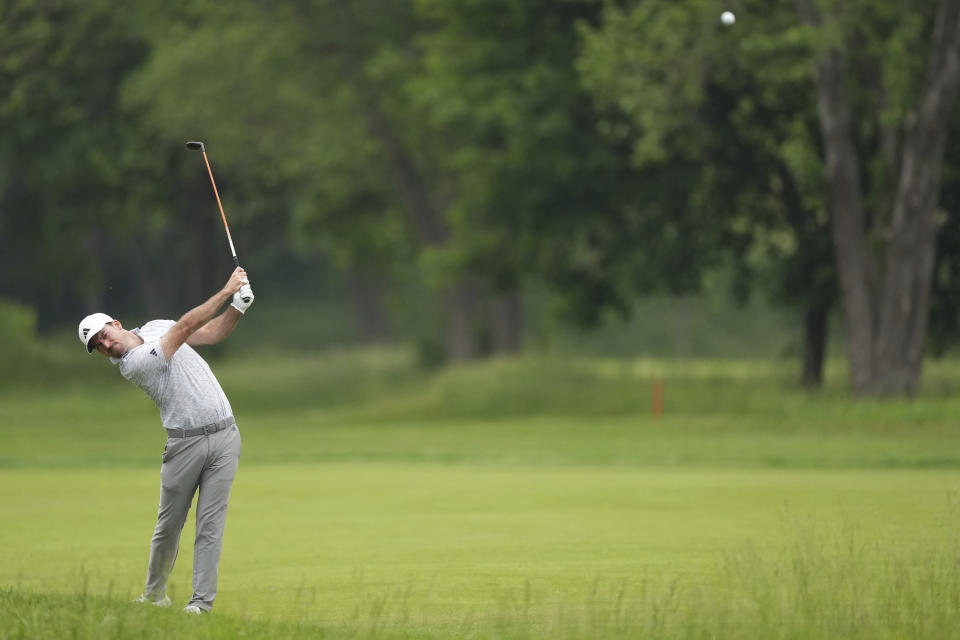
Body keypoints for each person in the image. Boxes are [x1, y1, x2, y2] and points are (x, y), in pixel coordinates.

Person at [77, 266, 254, 614]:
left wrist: (239, 307)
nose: (106, 345)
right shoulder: (135, 363)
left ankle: (201, 604)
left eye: (103, 335)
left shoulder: (157, 327)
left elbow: (213, 333)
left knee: (210, 527)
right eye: (97, 346)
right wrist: (226, 291)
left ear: (115, 323)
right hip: (184, 445)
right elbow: (186, 327)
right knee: (169, 526)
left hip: (225, 436)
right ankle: (155, 595)